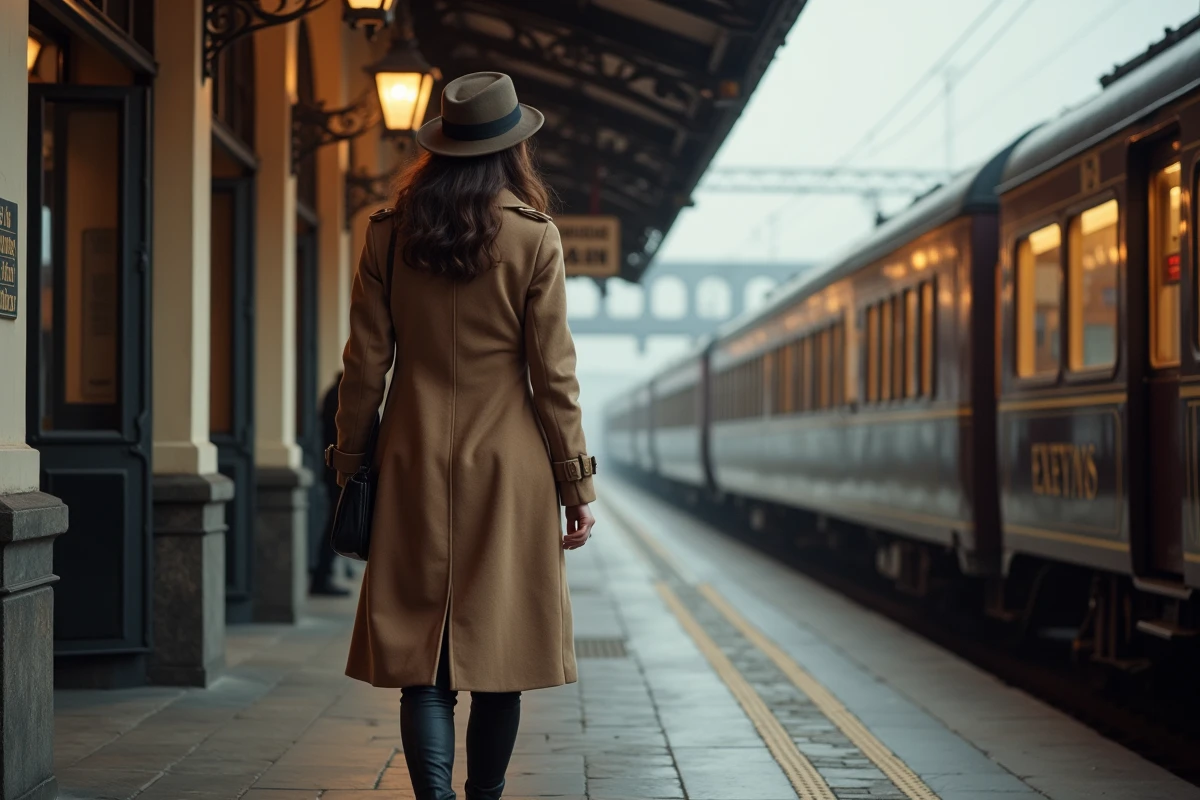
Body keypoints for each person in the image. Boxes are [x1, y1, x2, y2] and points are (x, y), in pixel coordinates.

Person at [326, 71, 597, 800]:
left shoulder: (388, 234)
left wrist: (352, 462)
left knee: (424, 655)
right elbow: (554, 380)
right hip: (510, 469)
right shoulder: (534, 239)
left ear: (440, 147)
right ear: (514, 151)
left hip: (411, 459)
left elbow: (364, 367)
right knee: (500, 650)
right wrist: (576, 484)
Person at [311, 372, 350, 597]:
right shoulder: (340, 397)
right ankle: (322, 577)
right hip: (338, 473)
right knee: (336, 525)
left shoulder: (333, 394)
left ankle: (324, 575)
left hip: (333, 471)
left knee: (336, 524)